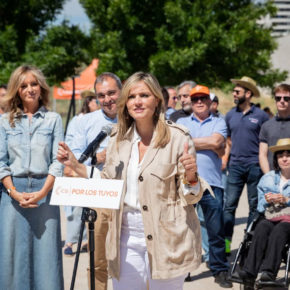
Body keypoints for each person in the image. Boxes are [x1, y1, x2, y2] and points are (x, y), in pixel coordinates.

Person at [57, 72, 206, 290]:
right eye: (131, 96)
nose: (137, 101)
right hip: (126, 237)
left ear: (157, 99)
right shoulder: (118, 139)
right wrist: (76, 165)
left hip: (167, 236)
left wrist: (191, 177)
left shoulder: (178, 138)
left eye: (144, 95)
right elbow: (109, 183)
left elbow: (191, 196)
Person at [0, 65, 64, 290]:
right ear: (17, 90)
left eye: (34, 84)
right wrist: (14, 193)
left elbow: (57, 162)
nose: (30, 89)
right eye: (24, 85)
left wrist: (43, 192)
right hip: (12, 193)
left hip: (45, 191)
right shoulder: (4, 121)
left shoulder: (53, 119)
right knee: (12, 257)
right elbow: (1, 162)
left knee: (47, 257)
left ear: (41, 87)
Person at [177, 85, 232, 288]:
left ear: (210, 102)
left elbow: (217, 141)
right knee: (184, 228)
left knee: (215, 229)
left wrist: (189, 141)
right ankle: (184, 269)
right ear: (190, 103)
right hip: (185, 183)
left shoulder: (219, 121)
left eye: (203, 98)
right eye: (195, 99)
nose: (199, 102)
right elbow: (179, 144)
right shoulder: (182, 122)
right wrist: (210, 144)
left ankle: (219, 269)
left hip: (212, 184)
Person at [70, 72, 121, 290]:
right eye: (102, 95)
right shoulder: (85, 122)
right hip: (99, 196)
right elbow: (72, 162)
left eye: (112, 93)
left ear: (121, 91)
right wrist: (101, 156)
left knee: (131, 261)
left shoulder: (137, 118)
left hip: (131, 196)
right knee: (97, 261)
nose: (107, 99)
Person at [223, 76, 269, 254]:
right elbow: (228, 140)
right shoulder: (230, 115)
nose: (234, 94)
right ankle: (227, 244)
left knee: (254, 207)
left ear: (248, 94)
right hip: (234, 166)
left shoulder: (261, 116)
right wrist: (225, 159)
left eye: (237, 91)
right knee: (229, 206)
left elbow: (265, 142)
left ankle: (247, 244)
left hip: (254, 167)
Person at [239, 138, 290, 283]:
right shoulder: (267, 178)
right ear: (276, 159)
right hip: (271, 215)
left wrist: (286, 200)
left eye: (288, 155)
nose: (284, 159)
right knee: (261, 226)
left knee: (280, 229)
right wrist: (268, 200)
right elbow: (260, 205)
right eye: (280, 156)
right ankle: (249, 272)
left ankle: (268, 272)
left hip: (288, 220)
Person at [63, 91, 99, 256]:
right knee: (75, 207)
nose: (98, 103)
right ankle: (70, 242)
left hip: (95, 172)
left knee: (92, 208)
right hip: (78, 168)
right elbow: (70, 142)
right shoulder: (78, 120)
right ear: (89, 102)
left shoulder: (102, 121)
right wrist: (70, 166)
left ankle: (87, 241)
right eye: (95, 100)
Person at [259, 84, 290, 174]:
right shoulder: (266, 126)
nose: (282, 101)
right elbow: (262, 154)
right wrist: (269, 176)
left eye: (286, 98)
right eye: (278, 98)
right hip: (273, 177)